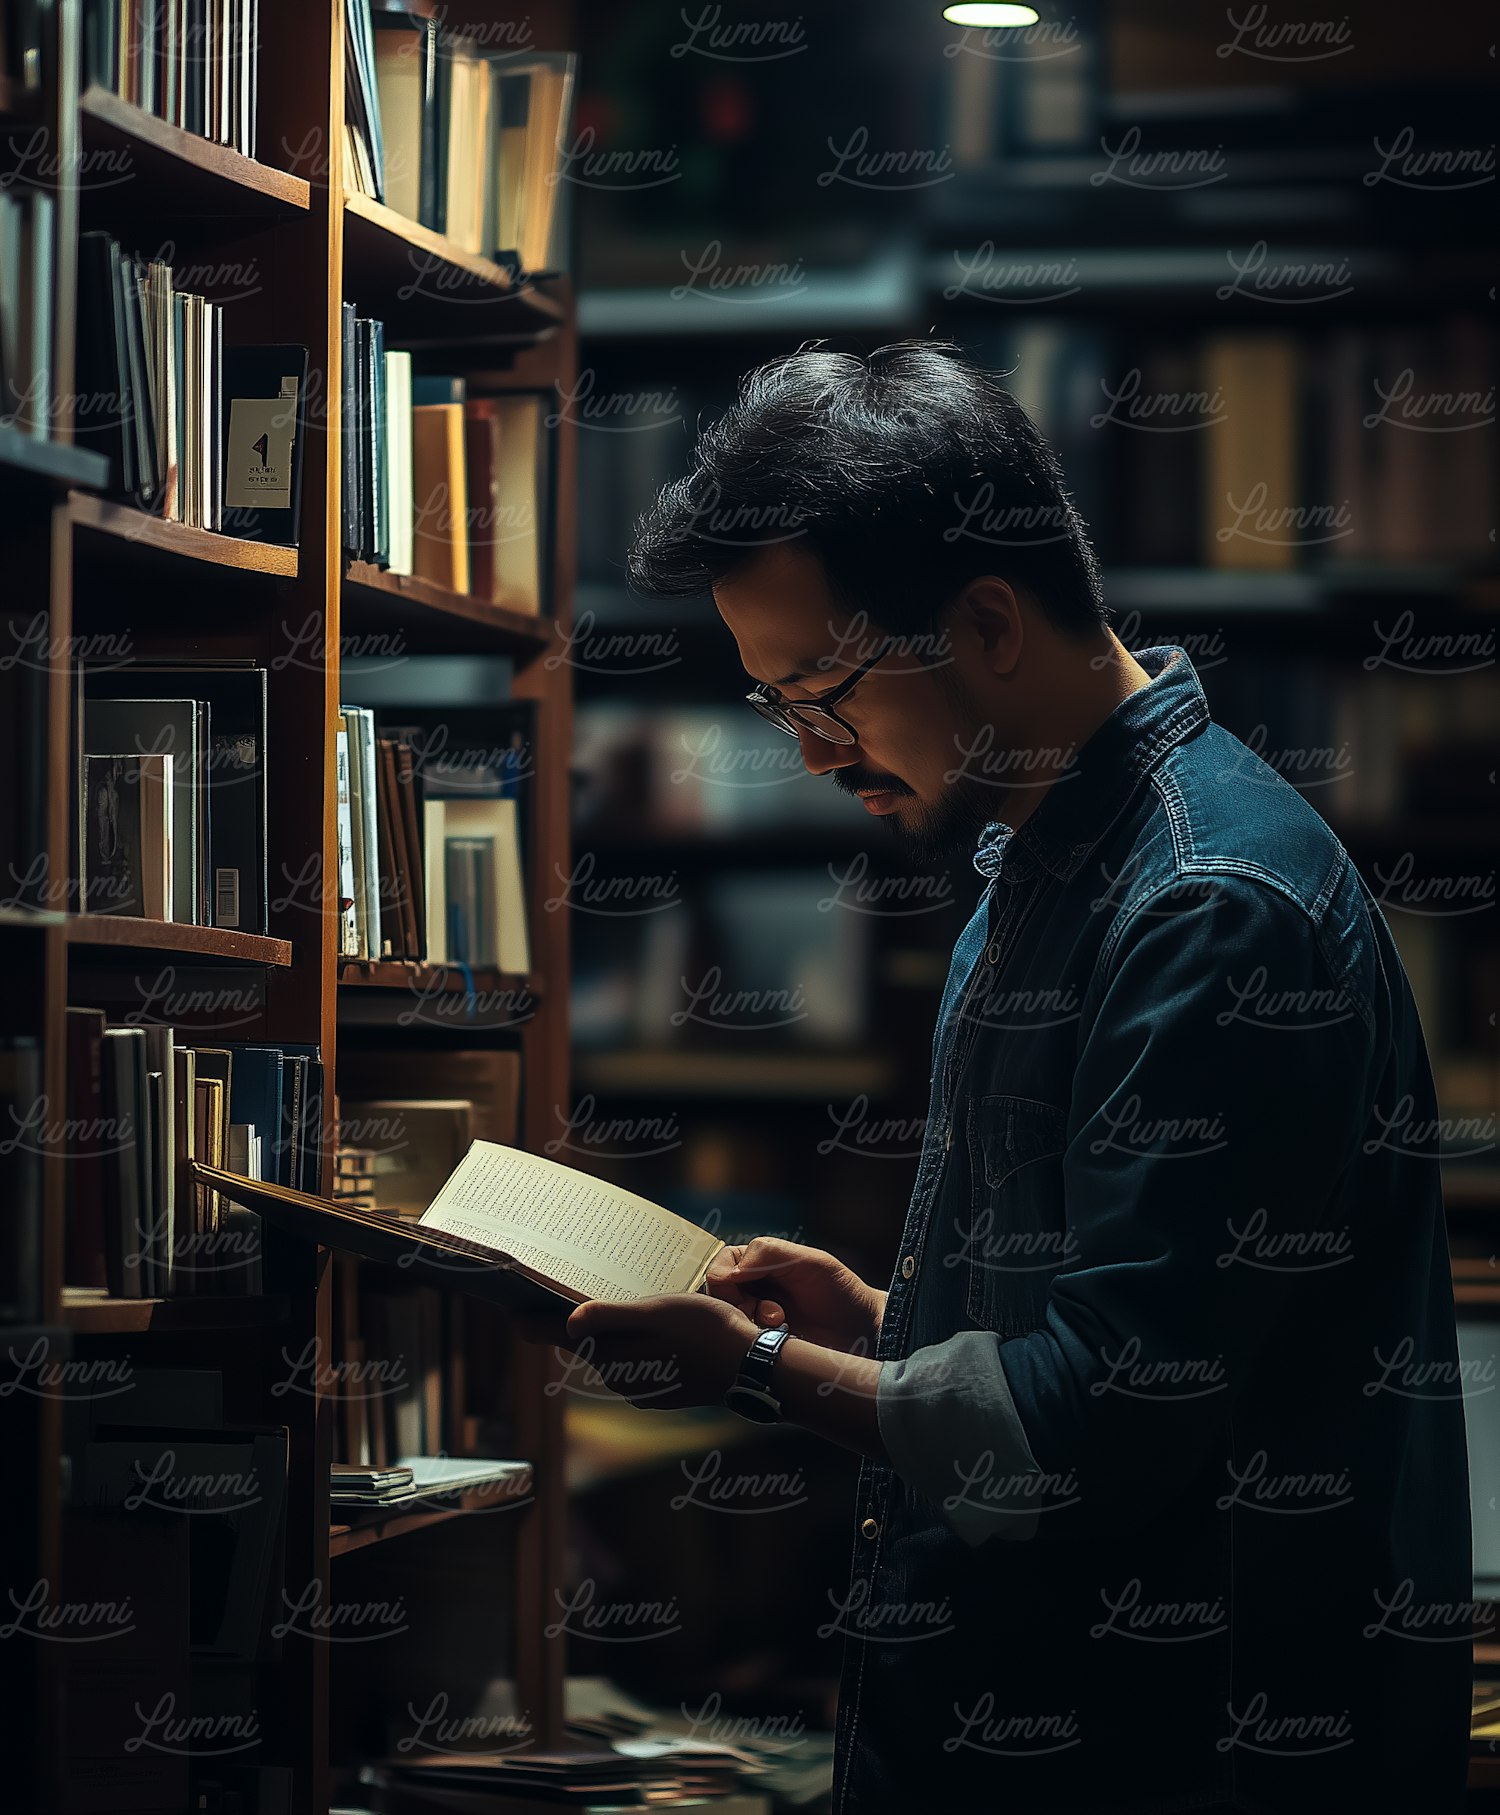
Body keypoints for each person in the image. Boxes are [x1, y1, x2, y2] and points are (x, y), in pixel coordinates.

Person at [557, 341, 1472, 1813]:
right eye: (777, 709)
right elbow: (1093, 1311)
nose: (810, 755)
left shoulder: (1206, 906)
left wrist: (762, 1375)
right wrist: (880, 1318)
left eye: (826, 693)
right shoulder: (1039, 864)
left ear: (984, 619)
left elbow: (1097, 1422)